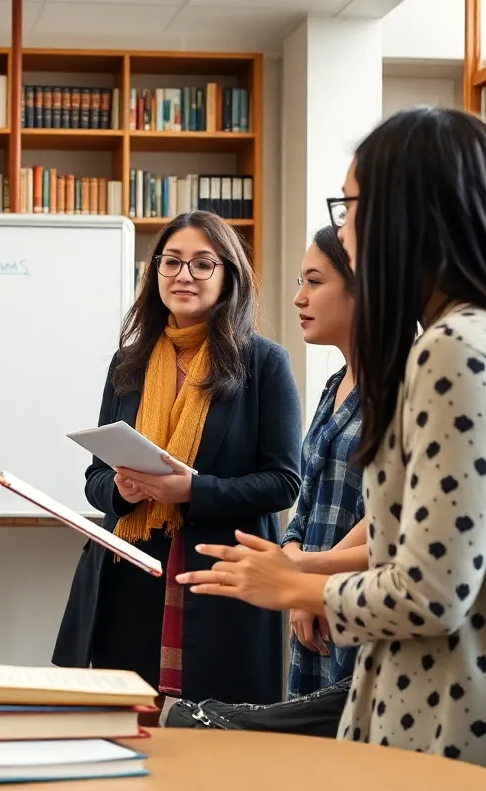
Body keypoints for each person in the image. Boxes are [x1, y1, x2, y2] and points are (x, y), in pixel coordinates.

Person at [178, 106, 486, 784]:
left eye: (351, 206)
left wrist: (296, 583)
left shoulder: (455, 351)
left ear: (409, 216)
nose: (343, 229)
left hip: (451, 727)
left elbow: (432, 591)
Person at [53, 211, 303, 711]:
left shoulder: (263, 362)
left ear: (229, 275)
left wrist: (192, 490)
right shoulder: (130, 362)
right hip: (133, 568)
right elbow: (96, 479)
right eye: (171, 262)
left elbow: (283, 482)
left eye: (202, 264)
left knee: (218, 739)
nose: (183, 275)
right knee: (126, 729)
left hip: (220, 574)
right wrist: (121, 490)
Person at [281, 225, 366, 698]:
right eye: (300, 282)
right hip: (313, 607)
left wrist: (310, 575)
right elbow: (307, 495)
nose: (299, 298)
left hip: (360, 604)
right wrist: (296, 567)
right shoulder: (335, 384)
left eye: (314, 282)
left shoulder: (407, 384)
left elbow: (393, 517)